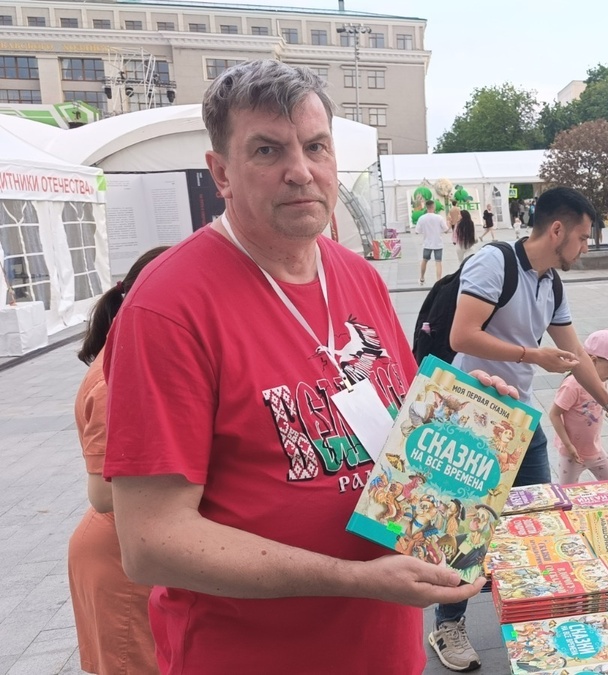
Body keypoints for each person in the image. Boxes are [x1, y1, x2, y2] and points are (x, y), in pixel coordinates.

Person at [102, 60, 504, 675]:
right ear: (221, 173)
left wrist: (464, 415)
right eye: (267, 150)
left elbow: (398, 433)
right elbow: (150, 542)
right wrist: (353, 578)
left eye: (316, 146)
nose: (301, 171)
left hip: (386, 652)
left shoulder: (358, 275)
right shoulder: (168, 306)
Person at [428, 186, 608, 671]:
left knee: (539, 519)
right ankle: (448, 623)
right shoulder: (495, 263)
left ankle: (536, 615)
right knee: (469, 526)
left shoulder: (552, 284)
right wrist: (533, 355)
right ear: (557, 230)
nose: (586, 247)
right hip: (474, 416)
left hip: (520, 418)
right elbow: (461, 335)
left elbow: (576, 355)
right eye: (583, 237)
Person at [67, 246, 167, 675]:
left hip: (134, 548)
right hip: (122, 560)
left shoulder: (131, 352)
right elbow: (104, 493)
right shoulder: (117, 376)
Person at [548, 329, 608, 484]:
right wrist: (568, 445)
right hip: (572, 455)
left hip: (595, 451)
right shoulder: (572, 385)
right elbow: (554, 414)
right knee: (567, 493)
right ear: (593, 361)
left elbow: (602, 407)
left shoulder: (601, 382)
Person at [417, 199, 449, 284]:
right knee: (438, 262)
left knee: (424, 260)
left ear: (426, 207)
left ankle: (422, 277)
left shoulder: (422, 218)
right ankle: (438, 281)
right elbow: (446, 230)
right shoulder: (439, 218)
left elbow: (417, 231)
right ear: (433, 207)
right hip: (438, 243)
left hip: (427, 243)